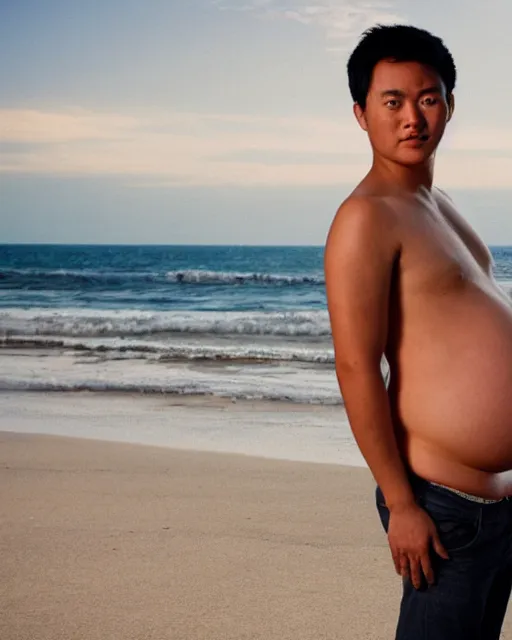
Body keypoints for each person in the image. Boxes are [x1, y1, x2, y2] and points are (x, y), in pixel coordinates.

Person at [324, 24, 512, 639]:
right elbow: (356, 366)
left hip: (499, 506)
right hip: (444, 507)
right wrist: (400, 503)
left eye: (427, 98)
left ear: (449, 106)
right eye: (392, 102)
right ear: (361, 114)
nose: (412, 117)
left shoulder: (439, 202)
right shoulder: (365, 218)